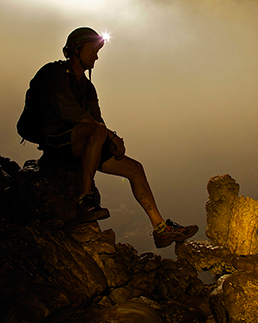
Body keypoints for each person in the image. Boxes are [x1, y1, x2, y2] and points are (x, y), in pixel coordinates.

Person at [18, 27, 198, 248]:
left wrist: (110, 141)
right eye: (93, 50)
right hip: (55, 138)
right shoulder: (54, 73)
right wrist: (108, 135)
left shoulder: (87, 87)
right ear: (76, 51)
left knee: (135, 168)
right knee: (98, 132)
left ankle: (160, 228)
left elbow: (97, 120)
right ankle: (86, 200)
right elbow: (69, 112)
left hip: (81, 141)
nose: (96, 56)